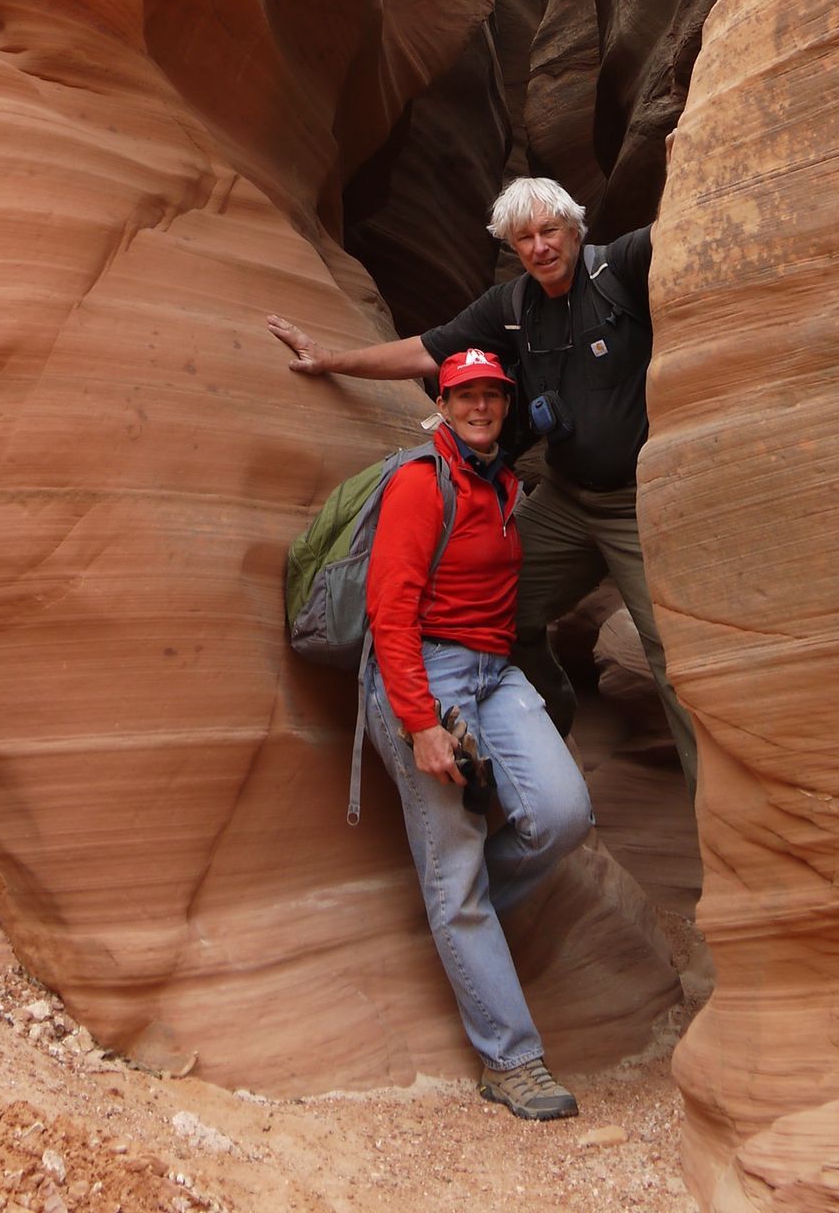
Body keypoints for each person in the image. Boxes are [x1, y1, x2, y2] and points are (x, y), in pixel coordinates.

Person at [268, 177, 701, 796]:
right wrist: (331, 359)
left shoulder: (620, 266)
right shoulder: (512, 306)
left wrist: (685, 160)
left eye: (549, 231)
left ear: (574, 228)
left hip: (634, 505)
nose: (539, 247)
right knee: (499, 613)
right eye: (523, 238)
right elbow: (425, 352)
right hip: (565, 498)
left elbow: (692, 226)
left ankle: (723, 821)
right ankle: (550, 734)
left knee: (671, 655)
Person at [363, 346, 592, 1121]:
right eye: (466, 396)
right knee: (453, 873)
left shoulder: (503, 483)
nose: (482, 408)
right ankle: (511, 1060)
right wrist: (420, 722)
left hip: (494, 675)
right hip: (429, 679)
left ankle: (459, 910)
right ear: (444, 402)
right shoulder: (417, 483)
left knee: (563, 816)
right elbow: (389, 613)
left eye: (493, 395)